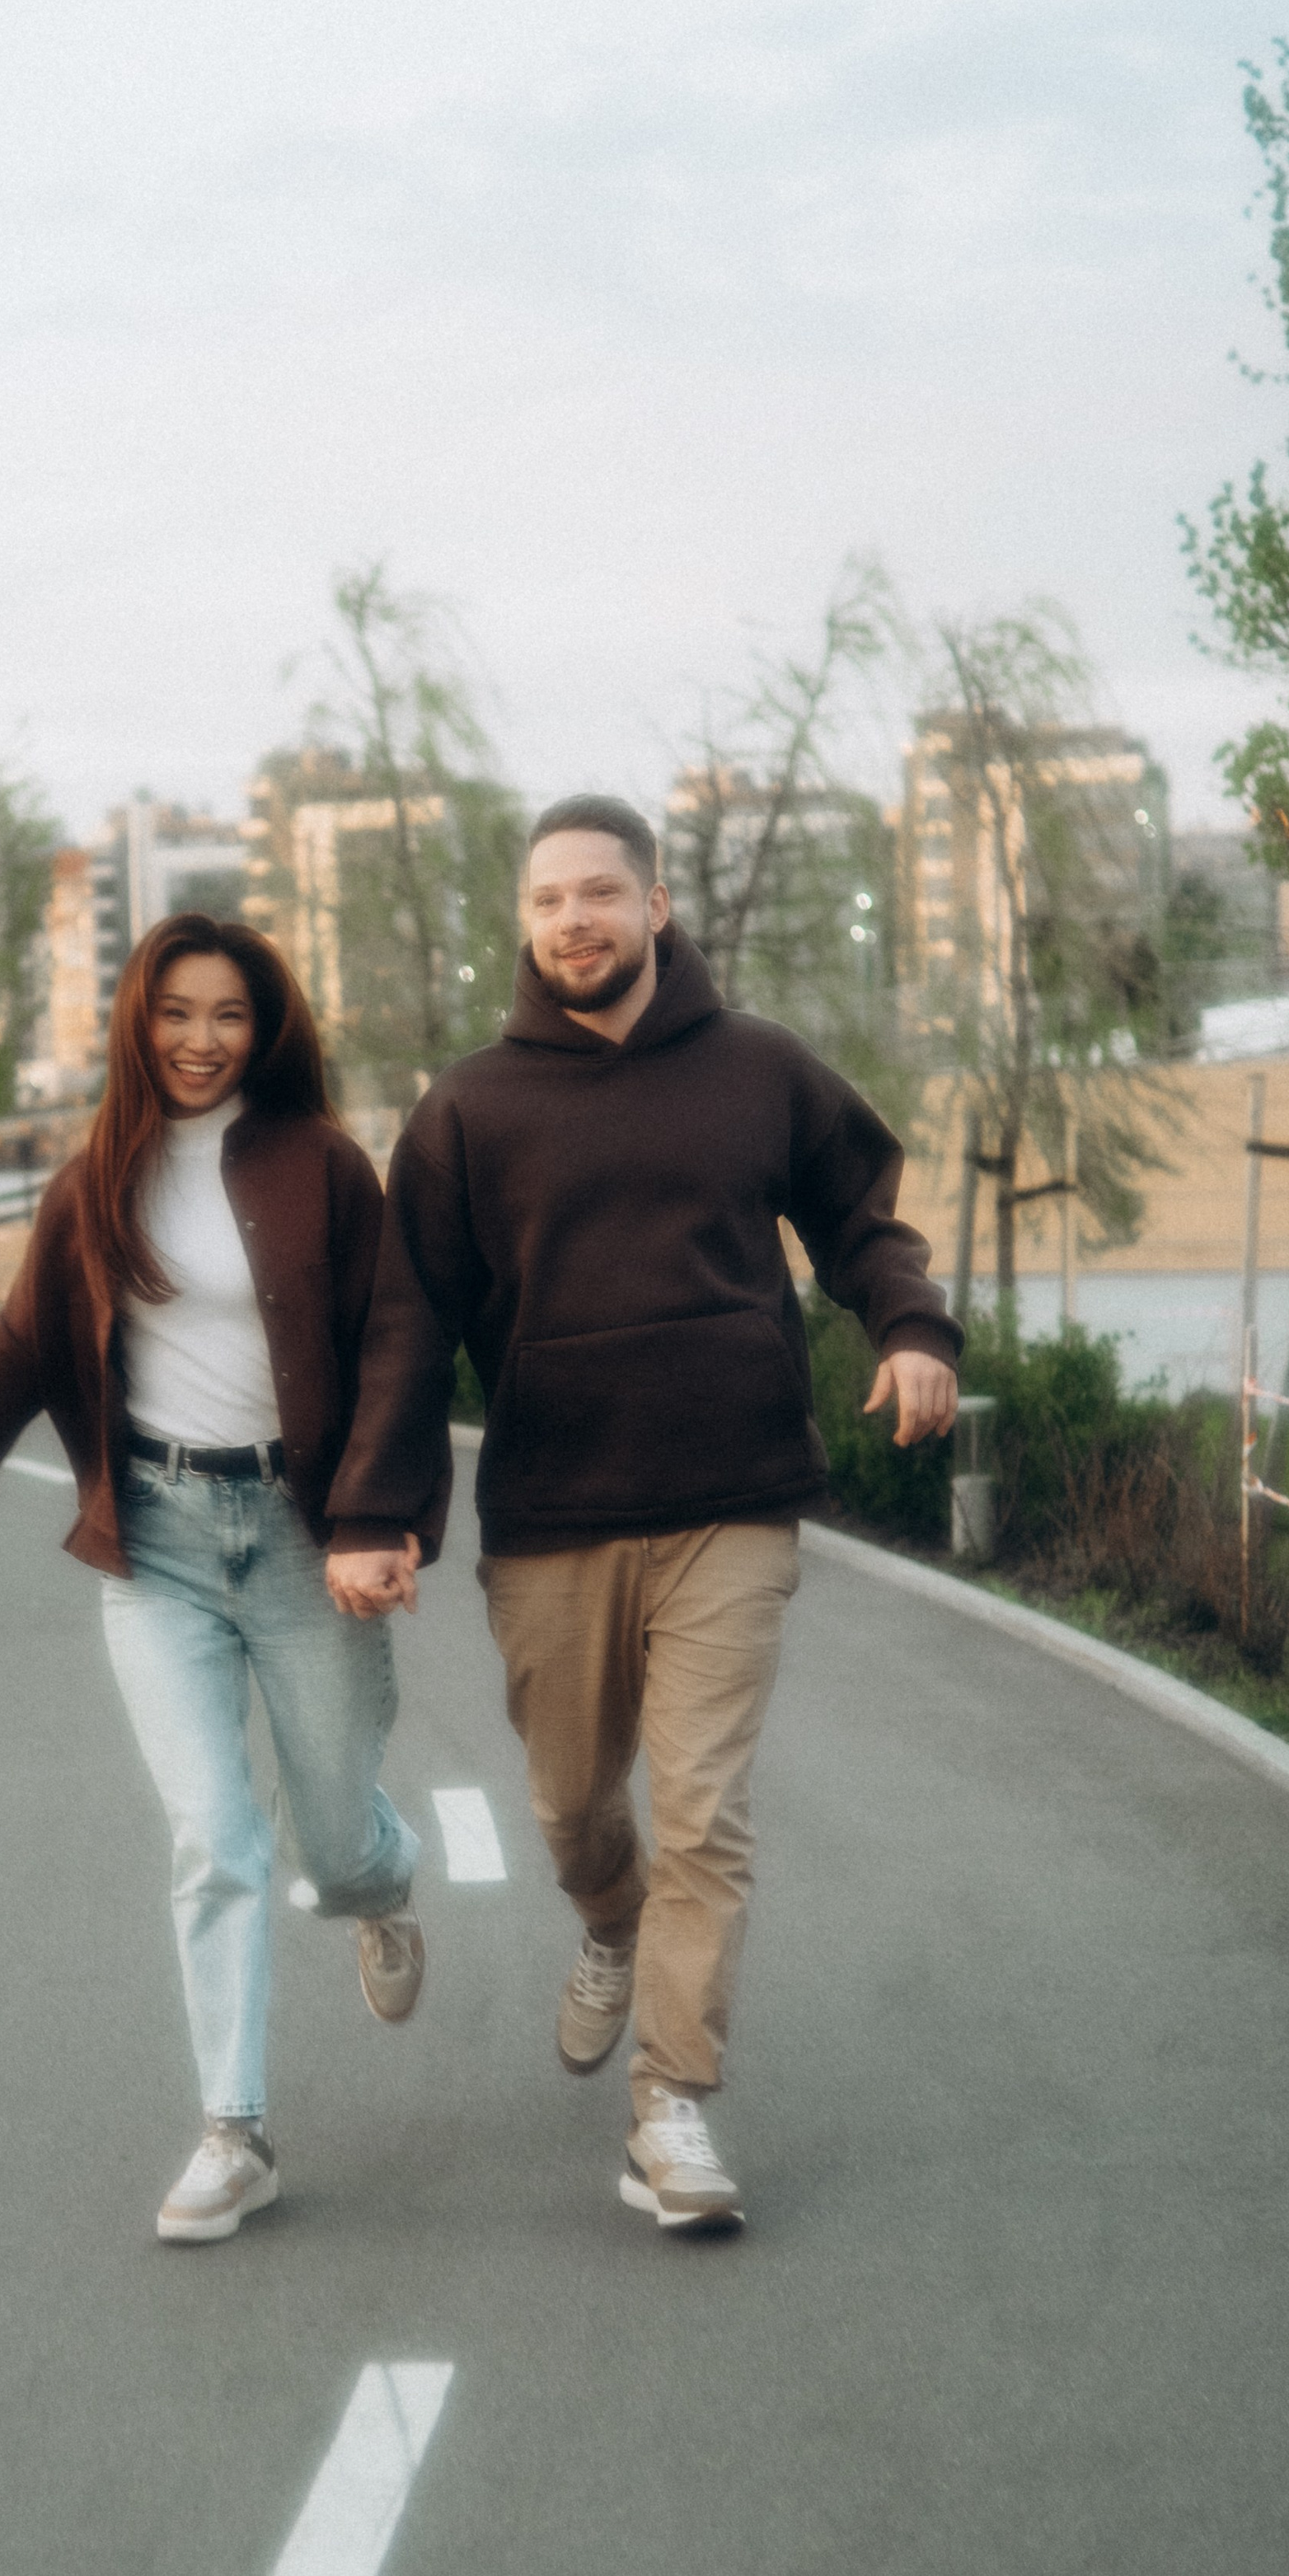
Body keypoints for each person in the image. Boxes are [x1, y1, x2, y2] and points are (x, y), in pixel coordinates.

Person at [324, 796, 959, 2235]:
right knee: (570, 1807)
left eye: (601, 893)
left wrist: (914, 1328)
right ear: (526, 924)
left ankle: (671, 2107)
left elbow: (861, 1220)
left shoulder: (759, 1069)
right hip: (555, 1513)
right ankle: (610, 1921)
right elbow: (410, 1328)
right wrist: (375, 1509)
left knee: (706, 1815)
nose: (575, 921)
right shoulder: (469, 1110)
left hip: (735, 1500)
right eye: (549, 900)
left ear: (656, 905)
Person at [0, 914, 425, 2246]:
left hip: (299, 1539)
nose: (200, 1039)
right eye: (176, 1013)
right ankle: (235, 2134)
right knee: (216, 1838)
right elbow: (18, 1357)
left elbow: (396, 1342)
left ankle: (379, 1887)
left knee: (334, 1845)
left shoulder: (322, 1167)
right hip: (161, 1547)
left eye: (228, 1014)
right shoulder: (92, 1185)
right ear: (139, 1021)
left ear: (264, 1027)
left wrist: (378, 1519)